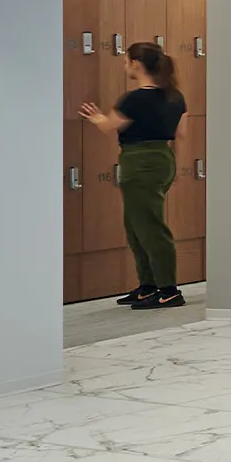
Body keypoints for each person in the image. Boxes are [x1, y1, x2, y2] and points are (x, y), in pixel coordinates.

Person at [78, 41, 189, 310]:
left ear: (136, 65)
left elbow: (109, 126)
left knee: (150, 227)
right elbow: (181, 134)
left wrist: (96, 117)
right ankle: (148, 286)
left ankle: (169, 290)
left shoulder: (135, 99)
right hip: (162, 158)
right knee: (136, 225)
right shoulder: (175, 96)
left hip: (140, 162)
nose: (125, 65)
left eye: (126, 61)